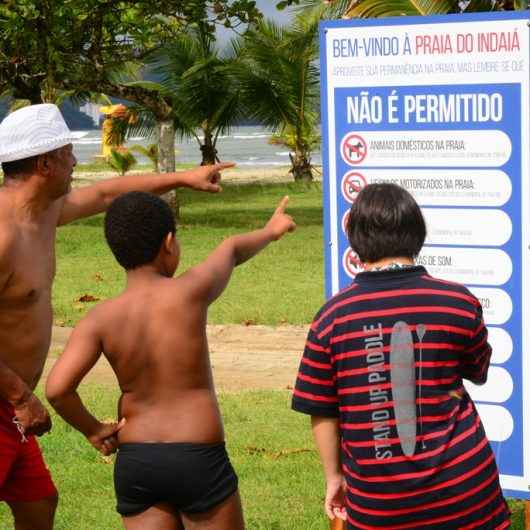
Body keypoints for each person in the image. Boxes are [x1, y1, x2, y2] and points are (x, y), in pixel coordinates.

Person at [0, 103, 234, 530]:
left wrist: (183, 177)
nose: (76, 162)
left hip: (13, 407)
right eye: (69, 153)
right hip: (10, 399)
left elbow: (109, 194)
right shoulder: (2, 233)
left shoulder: (43, 213)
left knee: (39, 504)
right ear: (45, 163)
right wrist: (19, 396)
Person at [45, 191, 296, 530]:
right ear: (168, 243)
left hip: (138, 460)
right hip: (198, 455)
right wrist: (272, 230)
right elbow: (232, 248)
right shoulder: (190, 292)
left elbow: (59, 389)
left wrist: (93, 430)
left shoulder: (100, 319)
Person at [292, 183, 510, 530]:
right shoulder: (458, 302)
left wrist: (334, 477)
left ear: (355, 238)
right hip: (467, 496)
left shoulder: (331, 318)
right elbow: (478, 370)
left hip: (380, 507)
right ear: (417, 234)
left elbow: (322, 409)